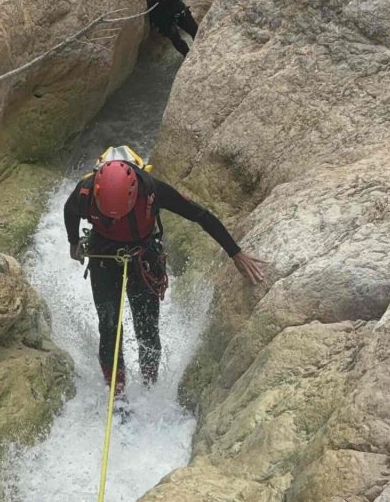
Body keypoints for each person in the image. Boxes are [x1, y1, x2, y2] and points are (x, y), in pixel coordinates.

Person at [64, 145, 265, 402]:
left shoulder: (152, 190)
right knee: (110, 328)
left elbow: (200, 215)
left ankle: (149, 387)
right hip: (104, 256)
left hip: (143, 257)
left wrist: (235, 253)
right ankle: (118, 393)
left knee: (146, 328)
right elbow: (69, 213)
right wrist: (73, 243)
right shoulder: (85, 191)